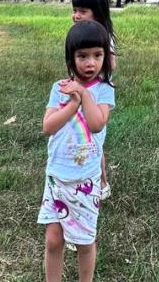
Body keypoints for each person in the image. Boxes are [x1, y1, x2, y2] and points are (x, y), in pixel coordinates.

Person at [38, 20, 115, 282]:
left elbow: (96, 124)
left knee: (84, 242)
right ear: (71, 57)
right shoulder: (59, 89)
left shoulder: (104, 90)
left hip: (85, 179)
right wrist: (71, 104)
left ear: (105, 56)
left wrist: (83, 94)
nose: (90, 63)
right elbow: (47, 126)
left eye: (97, 55)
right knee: (53, 239)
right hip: (57, 176)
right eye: (82, 56)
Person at [70, 0, 116, 198]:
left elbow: (111, 65)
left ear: (96, 12)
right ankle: (82, 177)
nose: (76, 15)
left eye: (82, 11)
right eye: (75, 10)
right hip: (80, 94)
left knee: (95, 140)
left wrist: (93, 72)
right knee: (82, 138)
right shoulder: (81, 34)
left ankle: (102, 184)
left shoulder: (103, 36)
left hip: (97, 96)